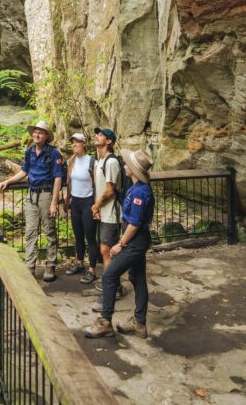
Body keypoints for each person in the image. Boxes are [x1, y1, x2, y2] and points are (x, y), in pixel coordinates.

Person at [84, 148, 155, 339]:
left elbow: (135, 224)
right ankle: (139, 323)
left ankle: (105, 321)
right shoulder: (133, 187)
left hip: (135, 242)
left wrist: (120, 244)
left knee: (109, 275)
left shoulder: (141, 191)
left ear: (133, 169)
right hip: (135, 240)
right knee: (137, 278)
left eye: (127, 165)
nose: (124, 166)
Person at [0, 120, 64, 282]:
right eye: (35, 132)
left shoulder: (54, 153)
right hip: (31, 195)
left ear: (46, 136)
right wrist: (8, 181)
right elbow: (24, 171)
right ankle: (30, 266)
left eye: (40, 132)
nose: (36, 134)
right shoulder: (30, 151)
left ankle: (50, 266)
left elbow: (58, 178)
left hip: (46, 195)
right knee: (30, 231)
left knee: (49, 231)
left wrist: (54, 202)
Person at [90, 127, 124, 307]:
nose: (97, 136)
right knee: (105, 250)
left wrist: (96, 206)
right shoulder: (100, 161)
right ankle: (111, 283)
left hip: (112, 214)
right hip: (103, 212)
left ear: (109, 141)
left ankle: (113, 287)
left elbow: (110, 191)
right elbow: (100, 188)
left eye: (101, 135)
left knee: (106, 250)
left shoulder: (111, 162)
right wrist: (96, 208)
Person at [64, 133, 99, 283]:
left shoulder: (92, 162)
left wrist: (96, 206)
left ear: (84, 144)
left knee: (90, 237)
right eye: (73, 142)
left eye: (78, 142)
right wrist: (66, 201)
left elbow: (97, 184)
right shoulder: (70, 161)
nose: (75, 144)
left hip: (88, 202)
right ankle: (79, 263)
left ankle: (92, 270)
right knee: (78, 236)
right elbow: (68, 182)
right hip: (75, 202)